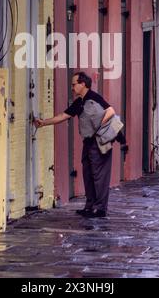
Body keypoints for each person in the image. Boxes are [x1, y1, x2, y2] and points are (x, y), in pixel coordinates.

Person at [34, 71, 117, 218]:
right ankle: (90, 206)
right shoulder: (79, 102)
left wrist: (98, 128)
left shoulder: (94, 97)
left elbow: (111, 111)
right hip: (88, 143)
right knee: (88, 174)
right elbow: (63, 116)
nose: (72, 88)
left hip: (99, 142)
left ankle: (100, 208)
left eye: (74, 84)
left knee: (99, 176)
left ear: (82, 84)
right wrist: (44, 123)